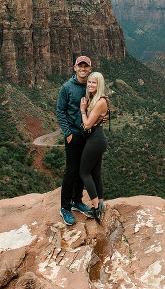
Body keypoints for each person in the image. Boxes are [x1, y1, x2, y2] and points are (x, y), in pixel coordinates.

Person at [55, 56, 95, 225]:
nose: (83, 69)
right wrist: (68, 132)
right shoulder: (67, 88)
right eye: (80, 66)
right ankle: (65, 208)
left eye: (86, 66)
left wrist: (104, 117)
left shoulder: (91, 86)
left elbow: (98, 105)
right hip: (73, 134)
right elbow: (60, 111)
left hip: (88, 133)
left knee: (82, 169)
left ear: (90, 69)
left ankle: (77, 201)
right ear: (75, 68)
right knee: (71, 170)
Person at [79, 71, 110, 223]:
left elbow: (87, 124)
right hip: (97, 139)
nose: (90, 84)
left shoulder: (100, 102)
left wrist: (83, 110)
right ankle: (101, 204)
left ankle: (96, 208)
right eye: (89, 82)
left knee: (84, 172)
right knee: (95, 173)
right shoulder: (97, 99)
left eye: (94, 82)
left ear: (100, 84)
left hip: (96, 140)